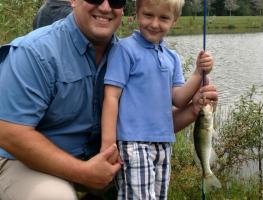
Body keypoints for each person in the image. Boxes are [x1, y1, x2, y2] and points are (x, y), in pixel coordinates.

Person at [0, 0, 218, 200]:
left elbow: (146, 125)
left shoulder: (124, 52)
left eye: (115, 0)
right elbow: (9, 133)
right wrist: (84, 173)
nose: (105, 7)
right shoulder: (35, 51)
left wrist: (193, 110)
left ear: (123, 8)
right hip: (22, 162)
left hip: (95, 163)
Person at [100, 0, 214, 199]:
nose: (154, 24)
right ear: (136, 13)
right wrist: (108, 145)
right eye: (148, 15)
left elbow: (179, 99)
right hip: (133, 142)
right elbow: (111, 97)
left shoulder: (172, 58)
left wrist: (197, 73)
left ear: (174, 21)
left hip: (164, 143)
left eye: (163, 18)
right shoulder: (124, 50)